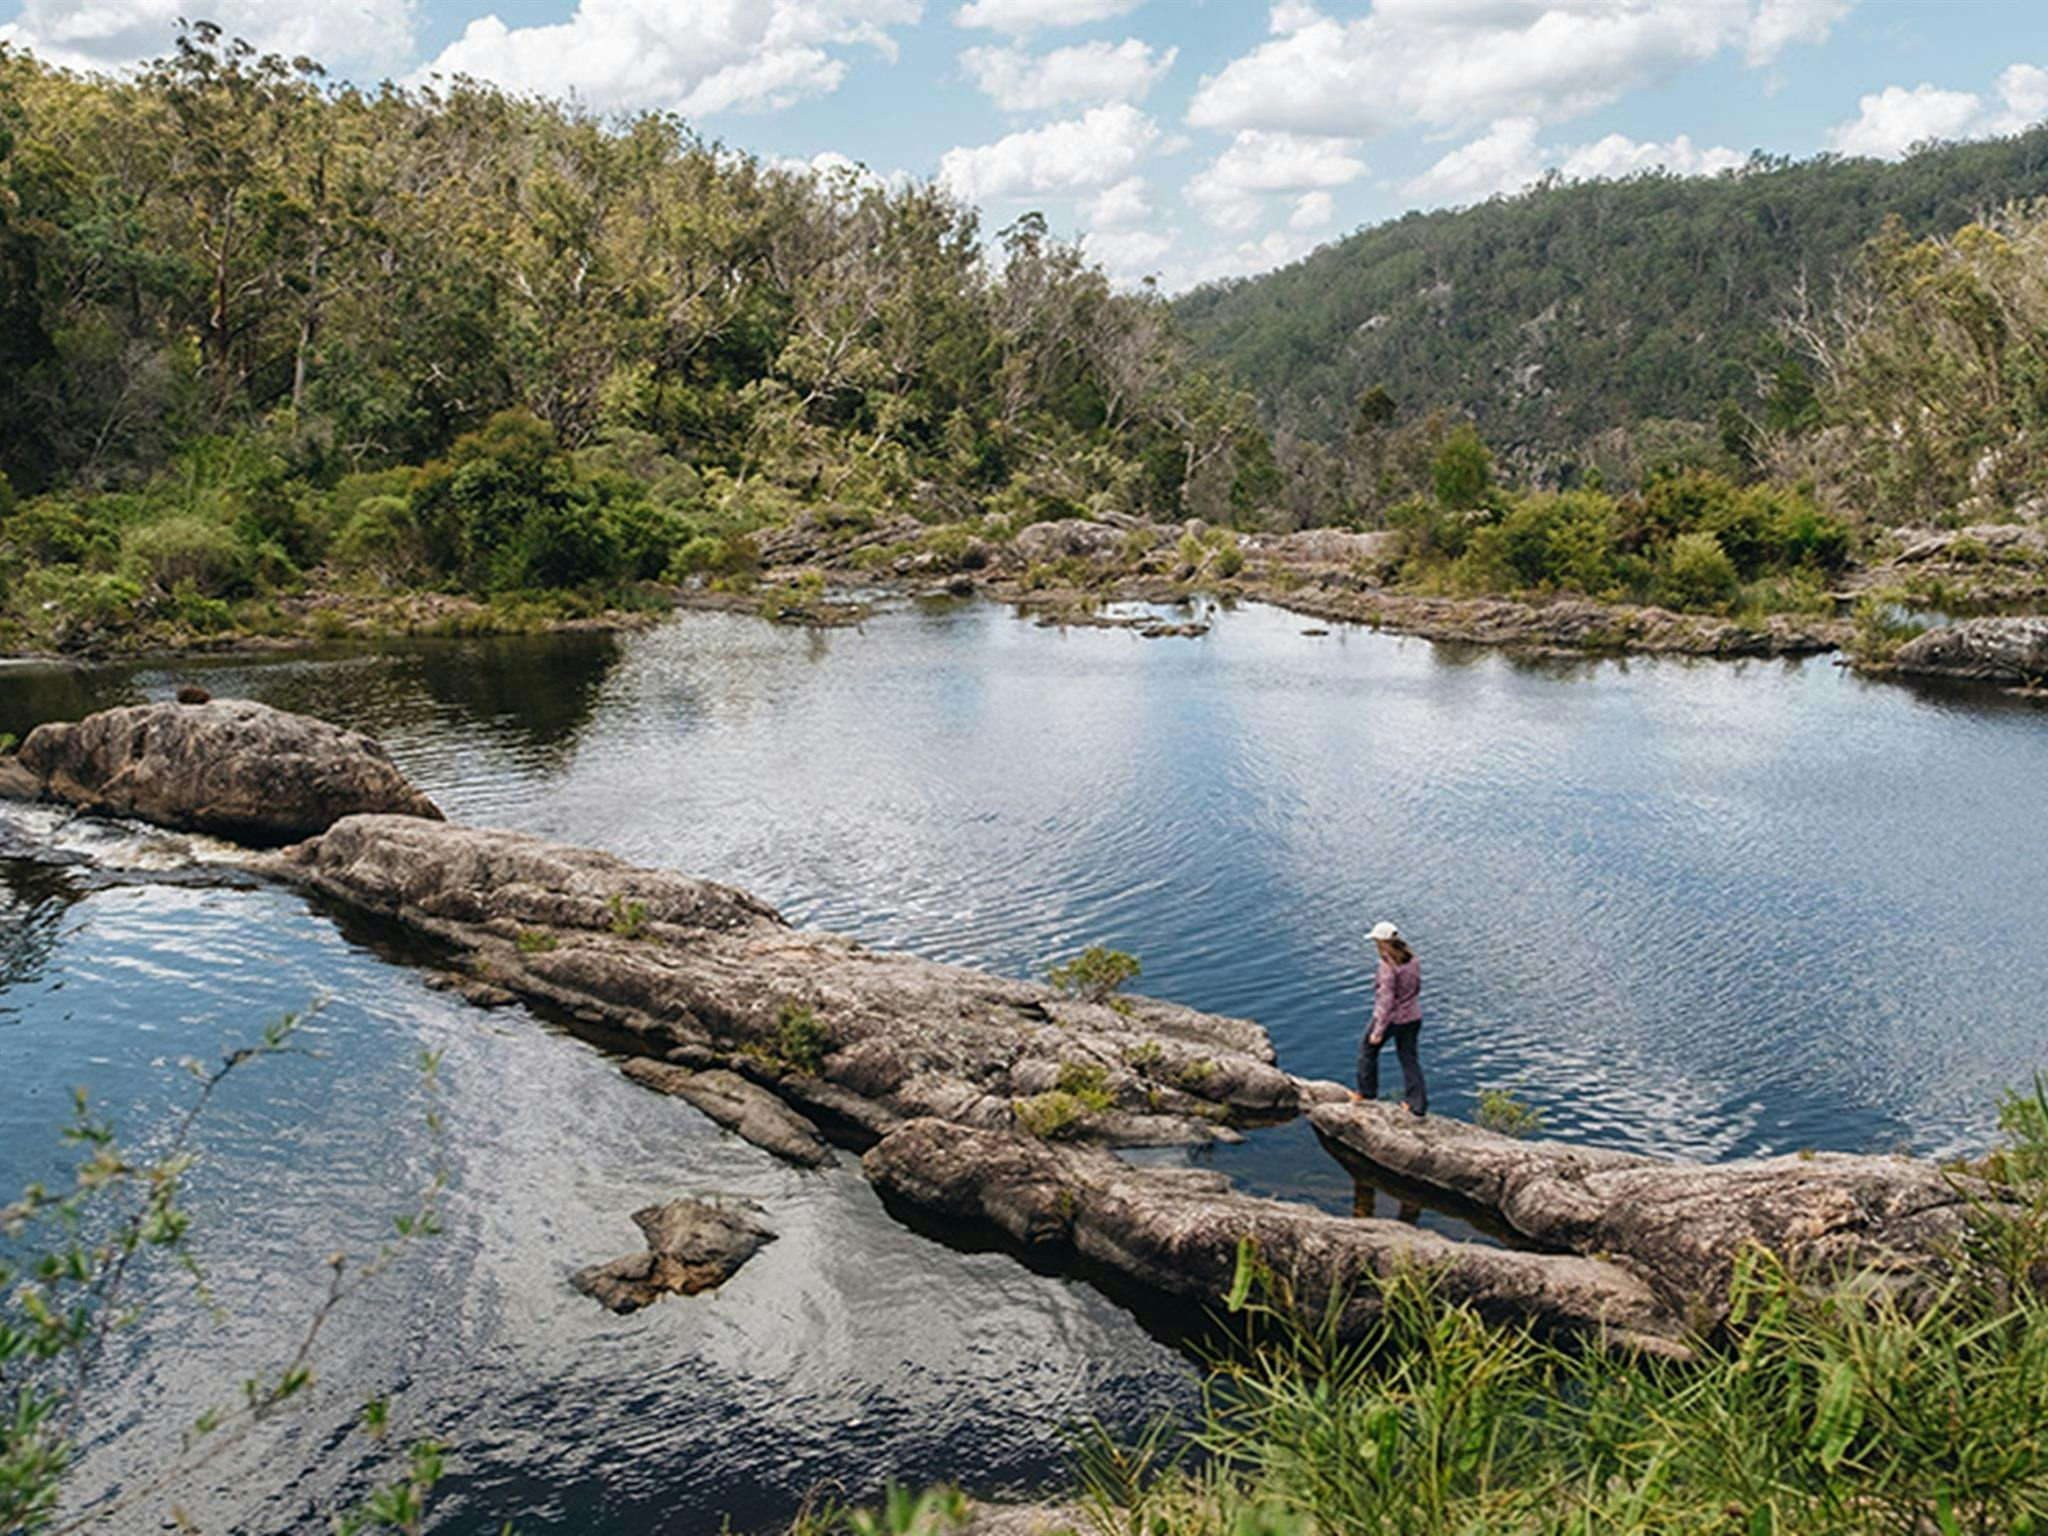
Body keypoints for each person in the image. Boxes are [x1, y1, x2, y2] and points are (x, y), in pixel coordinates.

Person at [1357, 919, 1426, 1117]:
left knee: (1367, 1051)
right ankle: (1416, 1105)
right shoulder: (1413, 959)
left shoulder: (1387, 965)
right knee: (1409, 1059)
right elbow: (1416, 988)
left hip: (1392, 1019)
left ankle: (1366, 1094)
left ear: (1381, 941)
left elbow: (1386, 999)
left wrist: (1379, 1030)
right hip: (1413, 1017)